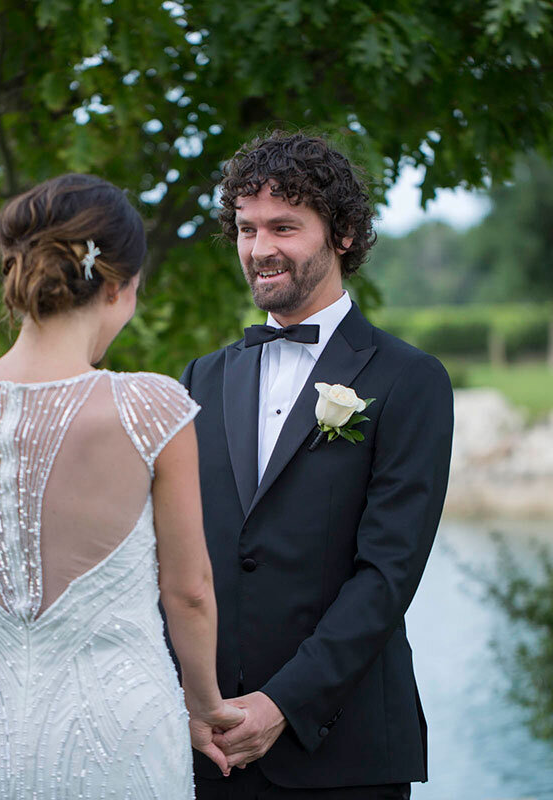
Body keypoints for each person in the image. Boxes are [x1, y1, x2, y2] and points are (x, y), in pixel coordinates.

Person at [0, 173, 245, 799]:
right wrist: (205, 703)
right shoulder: (148, 407)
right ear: (118, 287)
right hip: (120, 732)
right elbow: (189, 590)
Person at [179, 131, 454, 798]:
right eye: (246, 228)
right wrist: (188, 698)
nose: (259, 248)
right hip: (208, 751)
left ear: (345, 234)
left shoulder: (410, 380)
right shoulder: (200, 378)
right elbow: (178, 560)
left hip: (344, 753)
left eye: (284, 226)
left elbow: (387, 576)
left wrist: (282, 705)